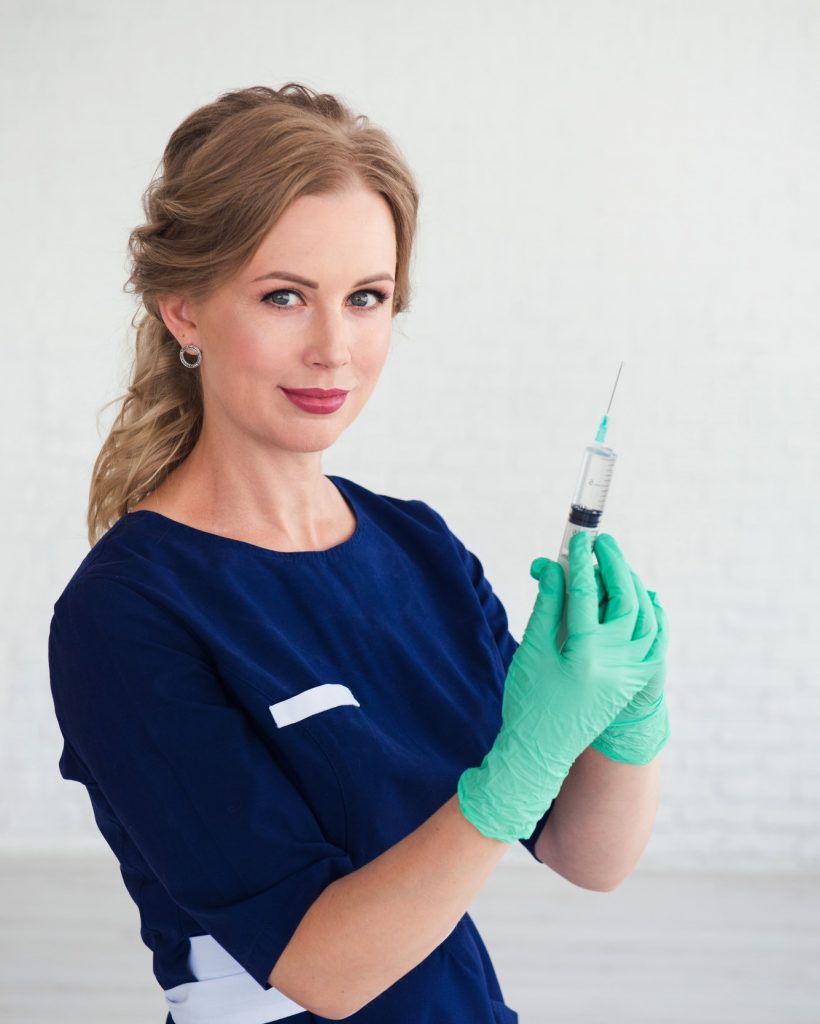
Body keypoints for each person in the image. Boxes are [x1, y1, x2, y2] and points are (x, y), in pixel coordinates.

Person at [47, 82, 671, 1024]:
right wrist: (509, 778)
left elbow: (590, 857)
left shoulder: (416, 548)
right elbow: (321, 972)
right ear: (184, 308)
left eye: (367, 298)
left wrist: (630, 719)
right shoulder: (128, 614)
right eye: (285, 296)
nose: (335, 348)